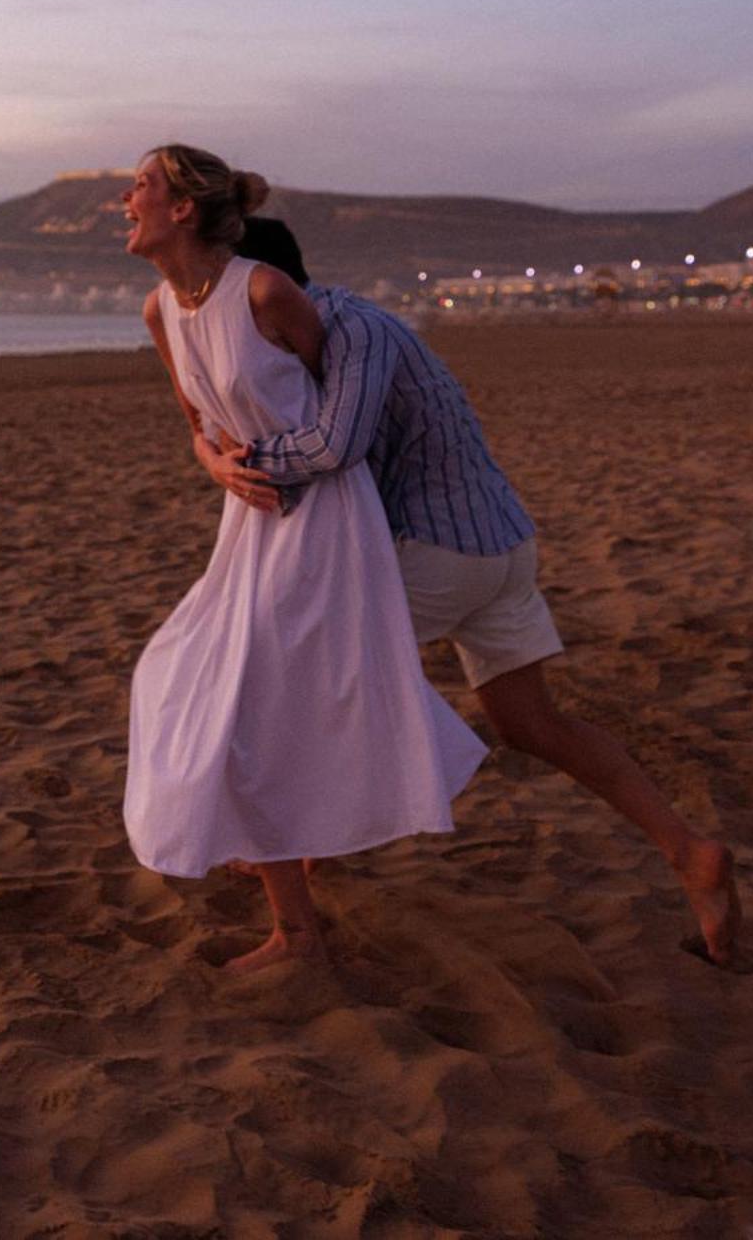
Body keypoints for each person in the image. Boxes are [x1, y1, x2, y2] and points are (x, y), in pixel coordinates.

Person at [198, 215, 742, 968]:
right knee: (534, 726)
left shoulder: (347, 329)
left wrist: (238, 460)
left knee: (275, 687)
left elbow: (334, 447)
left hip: (442, 547)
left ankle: (295, 918)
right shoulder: (336, 329)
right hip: (500, 544)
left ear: (263, 285)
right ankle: (690, 852)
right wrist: (209, 448)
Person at [120, 148, 487, 974]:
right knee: (182, 677)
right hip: (245, 521)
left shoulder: (264, 291)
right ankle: (296, 881)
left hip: (323, 520)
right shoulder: (157, 311)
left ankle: (297, 932)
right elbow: (199, 426)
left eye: (139, 184)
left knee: (254, 705)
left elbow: (338, 418)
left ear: (182, 209)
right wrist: (213, 465)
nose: (124, 197)